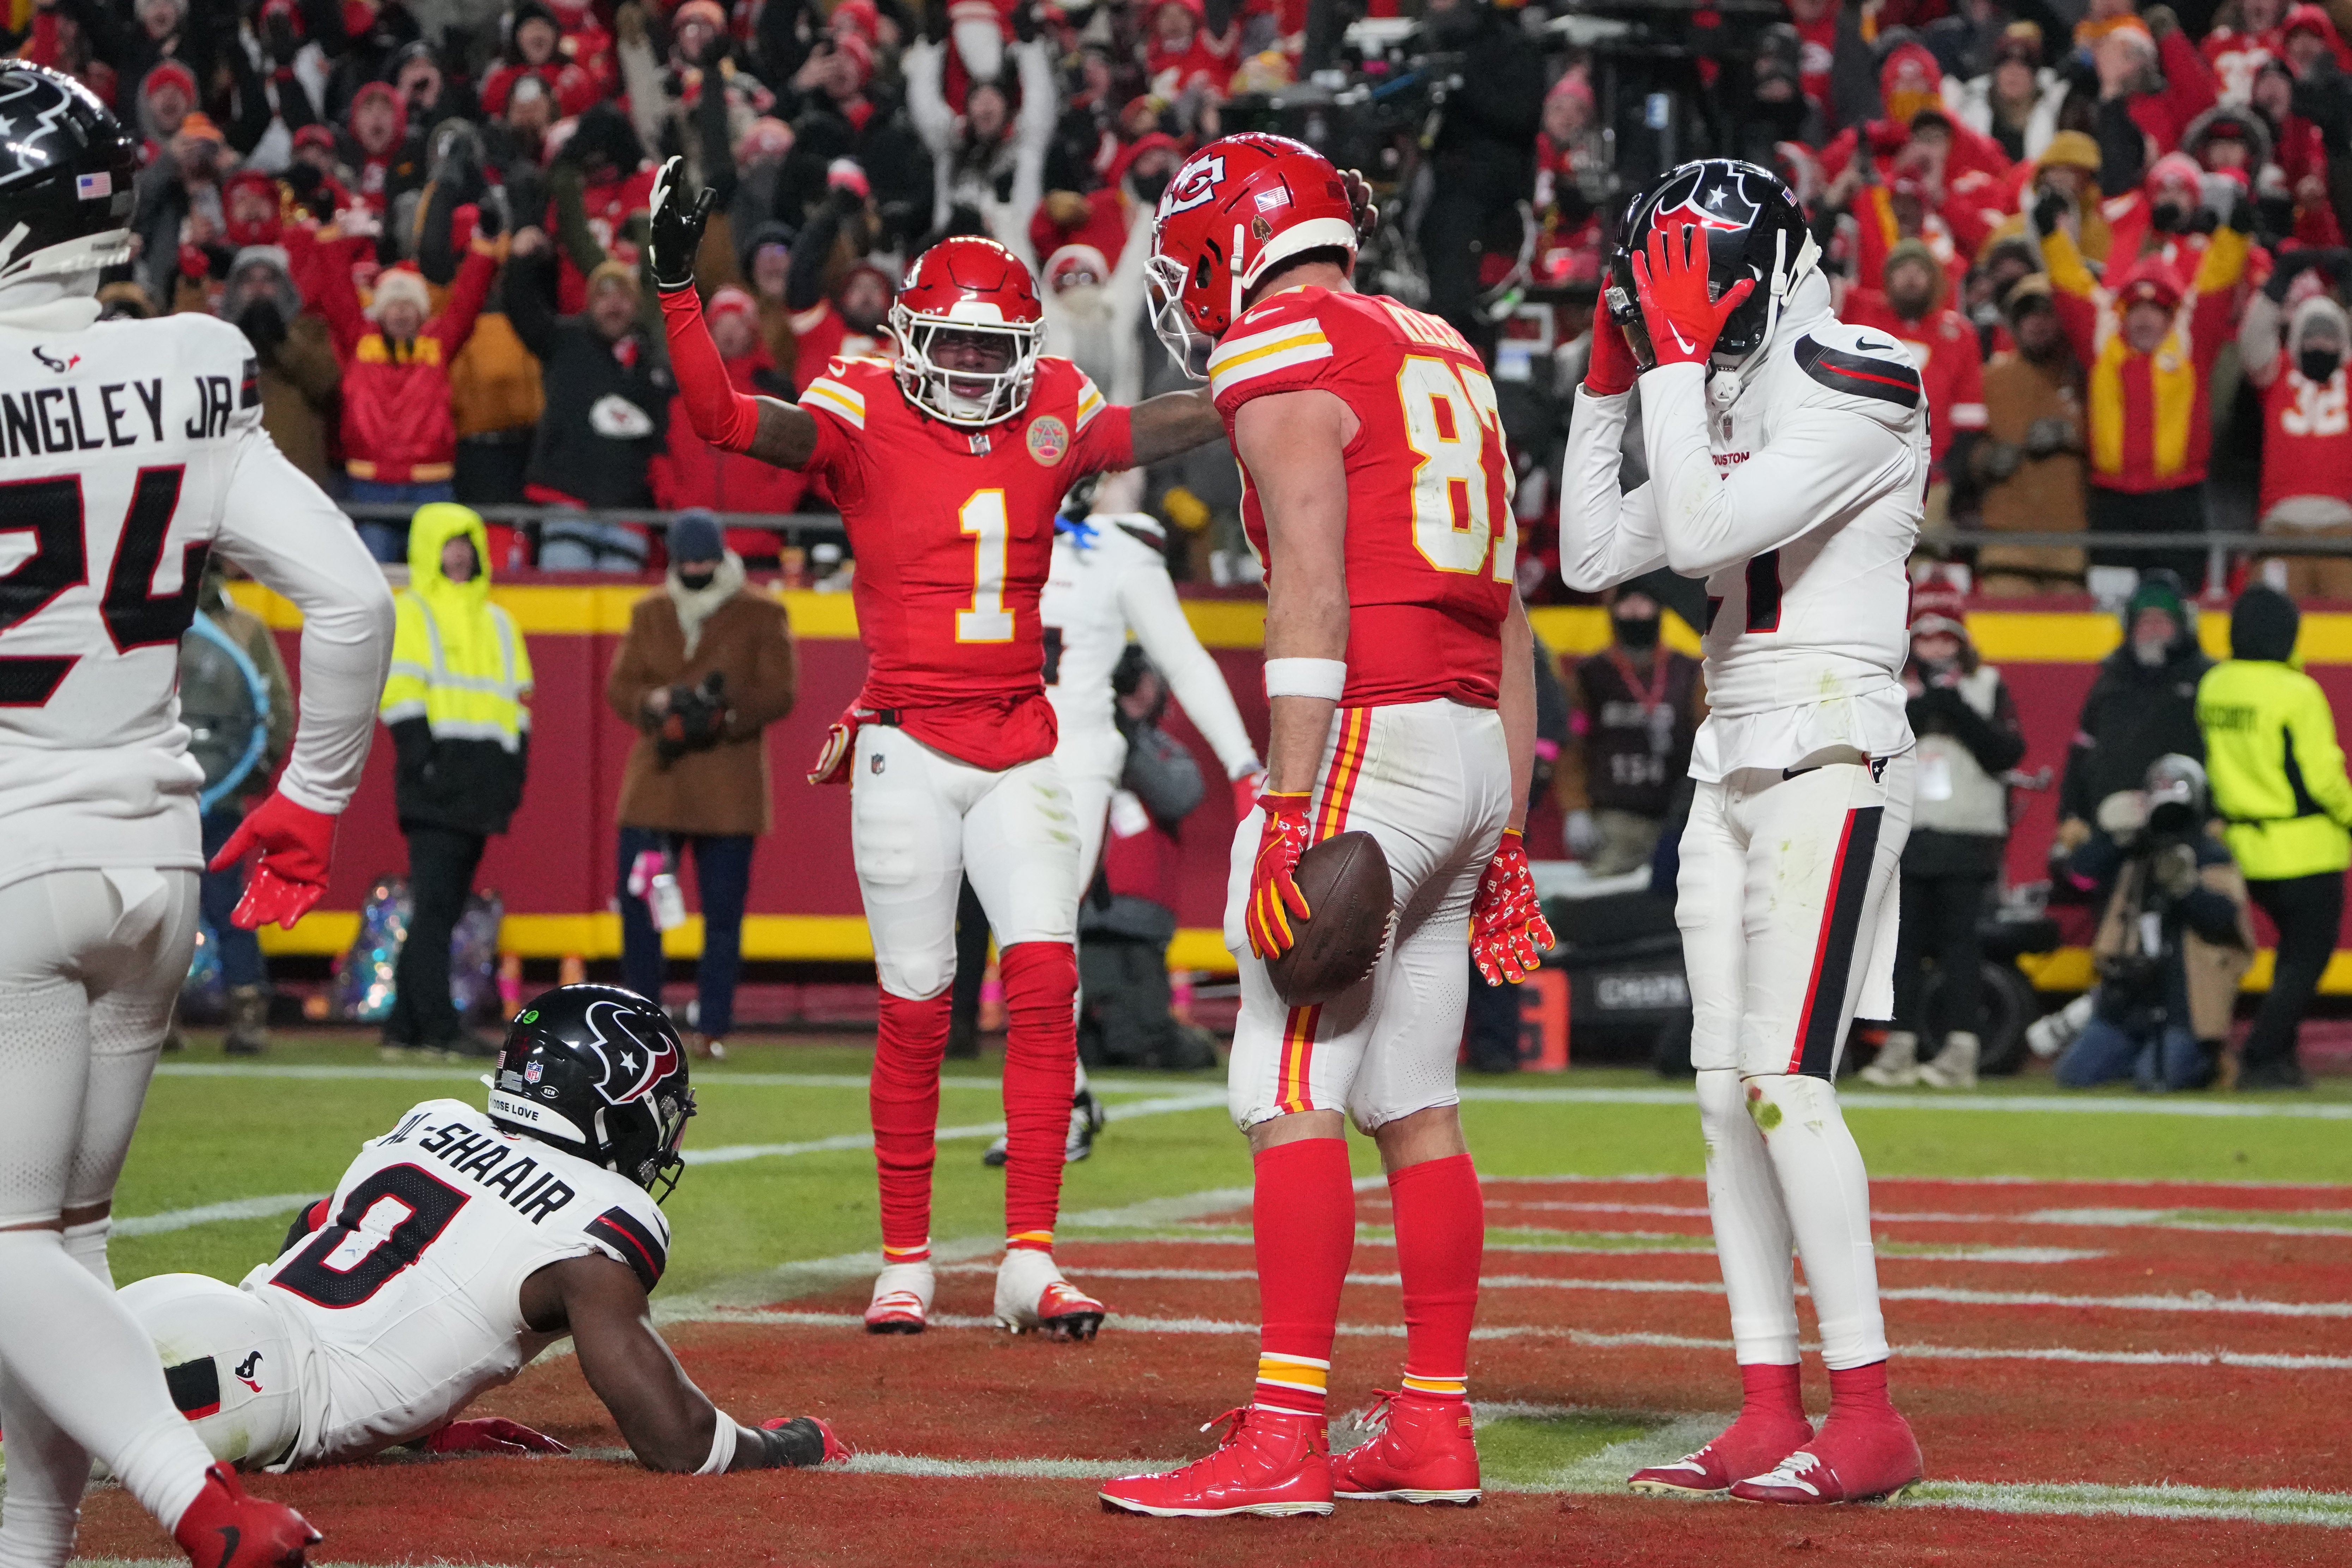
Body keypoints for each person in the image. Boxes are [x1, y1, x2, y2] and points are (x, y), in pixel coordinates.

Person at [647, 158, 1228, 1340]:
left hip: (1020, 745)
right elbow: (719, 419)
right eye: (950, 349)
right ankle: (904, 1257)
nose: (968, 369)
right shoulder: (860, 412)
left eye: (985, 351)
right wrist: (674, 287)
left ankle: (1028, 1253)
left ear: (1020, 348)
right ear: (910, 340)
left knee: (1048, 981)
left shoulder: (1055, 404)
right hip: (905, 749)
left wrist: (1255, 367)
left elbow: (1153, 425)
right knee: (915, 1003)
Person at [1100, 132, 1550, 1519]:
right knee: (1412, 1101)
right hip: (1473, 735)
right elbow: (1512, 607)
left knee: (1283, 1080)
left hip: (1370, 735)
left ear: (1237, 239)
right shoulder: (1439, 343)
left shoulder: (1281, 338)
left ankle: (1283, 1434)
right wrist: (1510, 824)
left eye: (1191, 262)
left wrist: (1286, 805)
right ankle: (1429, 1423)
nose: (1188, 292)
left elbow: (1306, 583)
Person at [0, 62, 394, 1568]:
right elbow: (352, 602)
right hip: (159, 859)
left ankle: (196, 1501)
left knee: (8, 1250)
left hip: (14, 856)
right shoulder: (194, 359)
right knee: (64, 1252)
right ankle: (32, 1550)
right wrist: (310, 805)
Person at [1557, 158, 1928, 1505]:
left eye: (1698, 285)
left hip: (1827, 743)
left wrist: (1663, 372)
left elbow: (1706, 521)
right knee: (1723, 1101)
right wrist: (1611, 382)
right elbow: (1593, 556)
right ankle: (1769, 1402)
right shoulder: (1711, 383)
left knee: (1785, 1082)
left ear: (1765, 272)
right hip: (1732, 759)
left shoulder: (1859, 367)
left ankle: (1869, 1411)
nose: (1688, 314)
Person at [120, 986, 849, 1475]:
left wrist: (406, 1411)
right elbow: (677, 1441)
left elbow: (310, 1235)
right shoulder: (596, 1222)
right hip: (238, 1394)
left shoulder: (436, 1119)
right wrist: (789, 1444)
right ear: (608, 1106)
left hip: (195, 1313)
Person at [606, 513, 799, 1062]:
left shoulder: (762, 611)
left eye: (703, 561)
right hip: (657, 785)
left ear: (720, 557)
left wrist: (723, 713)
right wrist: (657, 703)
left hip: (727, 788)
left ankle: (713, 1025)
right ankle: (641, 1025)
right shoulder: (650, 612)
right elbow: (620, 686)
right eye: (686, 561)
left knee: (723, 915)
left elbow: (781, 692)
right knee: (642, 909)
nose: (694, 570)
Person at [379, 505, 533, 1061]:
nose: (461, 551)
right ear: (427, 549)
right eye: (449, 542)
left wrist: (511, 776)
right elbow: (399, 695)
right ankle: (439, 1028)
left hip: (480, 783)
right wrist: (426, 763)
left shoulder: (499, 621)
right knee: (438, 908)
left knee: (439, 908)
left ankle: (403, 1028)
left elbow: (518, 707)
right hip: (437, 782)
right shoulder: (413, 611)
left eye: (467, 541)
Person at [2040, 187, 2250, 587]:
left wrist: (2235, 236)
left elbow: (2217, 283)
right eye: (2136, 309)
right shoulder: (2103, 343)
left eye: (2157, 311)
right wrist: (2052, 237)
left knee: (2181, 602)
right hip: (2112, 501)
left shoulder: (2192, 343)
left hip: (2179, 499)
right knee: (2110, 603)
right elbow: (2071, 288)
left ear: (2172, 315)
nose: (2145, 321)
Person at [1862, 590, 2026, 1089]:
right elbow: (1871, 751)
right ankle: (1899, 1047)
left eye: (1945, 637)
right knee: (1902, 946)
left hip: (1967, 836)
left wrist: (1955, 710)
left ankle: (1961, 1049)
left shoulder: (1987, 684)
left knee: (1961, 947)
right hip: (1908, 833)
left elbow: (2006, 752)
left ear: (1961, 639)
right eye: (1927, 637)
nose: (1935, 648)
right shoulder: (1891, 686)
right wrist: (1918, 711)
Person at [2198, 587, 2352, 1089]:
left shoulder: (2214, 684)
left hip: (2241, 846)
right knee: (2306, 956)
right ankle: (2262, 1054)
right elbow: (2323, 778)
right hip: (2303, 848)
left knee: (2289, 957)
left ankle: (2279, 1060)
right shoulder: (2295, 691)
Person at [2054, 755, 2253, 1089]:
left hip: (2184, 1005)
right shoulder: (2134, 850)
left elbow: (2225, 921)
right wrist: (2111, 837)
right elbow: (2080, 875)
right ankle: (2145, 1055)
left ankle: (2207, 1059)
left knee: (2155, 1079)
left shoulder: (2210, 855)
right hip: (2129, 1003)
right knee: (2073, 1074)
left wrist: (2186, 889)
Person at [1076, 647, 1223, 1072]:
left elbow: (1181, 795)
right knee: (1084, 1040)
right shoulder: (1078, 739)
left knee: (1140, 1039)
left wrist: (1126, 736)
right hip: (1086, 914)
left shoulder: (1159, 747)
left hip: (1140, 921)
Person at [180, 567, 296, 1057]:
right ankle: (239, 1017)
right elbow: (279, 709)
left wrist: (249, 773)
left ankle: (241, 1014)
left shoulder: (243, 628)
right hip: (194, 791)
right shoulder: (240, 628)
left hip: (200, 793)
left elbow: (275, 709)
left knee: (193, 905)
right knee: (207, 905)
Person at [2058, 572, 2213, 841]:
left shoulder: (2207, 681)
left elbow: (2224, 755)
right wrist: (2070, 815)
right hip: (2113, 826)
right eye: (2145, 621)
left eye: (2162, 621)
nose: (2153, 629)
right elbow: (2082, 752)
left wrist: (2216, 817)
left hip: (2188, 827)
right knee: (2075, 878)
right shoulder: (2110, 682)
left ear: (2182, 625)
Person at [1561, 586, 1704, 875]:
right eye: (1627, 605)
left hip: (1680, 817)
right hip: (1615, 818)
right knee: (1607, 907)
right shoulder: (1589, 674)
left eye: (1644, 604)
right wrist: (1575, 808)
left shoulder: (1689, 672)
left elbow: (1708, 740)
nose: (1636, 613)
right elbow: (1572, 745)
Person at [2236, 249, 2352, 600]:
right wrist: (2278, 283)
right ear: (2297, 337)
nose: (2320, 342)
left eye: (2329, 334)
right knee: (2272, 616)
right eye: (2312, 334)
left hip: (2342, 526)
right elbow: (2252, 340)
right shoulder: (2278, 372)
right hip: (2280, 526)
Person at [1972, 275, 2088, 595]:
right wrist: (1985, 459)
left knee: (2071, 635)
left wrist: (2072, 435)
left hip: (2070, 537)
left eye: (2047, 313)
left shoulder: (2088, 379)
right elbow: (1958, 445)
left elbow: (2119, 443)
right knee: (2001, 631)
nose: (2036, 323)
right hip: (2005, 536)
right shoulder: (1989, 379)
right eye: (2027, 314)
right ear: (2013, 324)